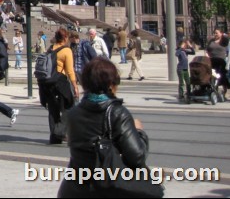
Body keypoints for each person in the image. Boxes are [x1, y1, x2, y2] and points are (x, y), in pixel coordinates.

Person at [57, 58, 162, 199]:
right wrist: (138, 131)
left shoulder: (73, 113)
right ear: (110, 84)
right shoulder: (117, 113)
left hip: (76, 188)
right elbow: (137, 156)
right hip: (107, 187)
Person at [39, 27, 78, 144]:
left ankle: (54, 137)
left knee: (53, 110)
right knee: (70, 106)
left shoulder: (50, 49)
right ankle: (59, 131)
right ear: (65, 37)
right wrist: (75, 85)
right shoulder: (66, 51)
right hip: (60, 83)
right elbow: (70, 70)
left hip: (47, 84)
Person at [206, 28, 229, 97]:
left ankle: (225, 91)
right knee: (213, 76)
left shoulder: (224, 41)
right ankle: (214, 90)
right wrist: (207, 56)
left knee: (222, 76)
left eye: (217, 33)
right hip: (212, 60)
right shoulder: (211, 41)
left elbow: (229, 47)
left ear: (221, 33)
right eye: (215, 33)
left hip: (221, 61)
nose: (215, 34)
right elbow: (207, 50)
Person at [175, 39, 195, 103]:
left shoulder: (185, 51)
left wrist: (190, 45)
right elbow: (176, 54)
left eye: (185, 44)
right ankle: (181, 95)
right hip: (180, 69)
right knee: (181, 83)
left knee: (188, 82)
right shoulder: (179, 51)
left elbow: (193, 52)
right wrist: (181, 47)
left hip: (186, 69)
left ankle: (189, 93)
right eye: (183, 44)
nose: (185, 45)